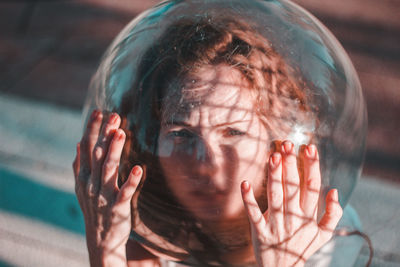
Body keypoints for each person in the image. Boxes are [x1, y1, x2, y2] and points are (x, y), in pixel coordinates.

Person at [73, 17, 343, 267]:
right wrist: (106, 252)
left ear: (274, 140)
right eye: (181, 133)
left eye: (234, 132)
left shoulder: (325, 244)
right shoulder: (145, 241)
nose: (207, 164)